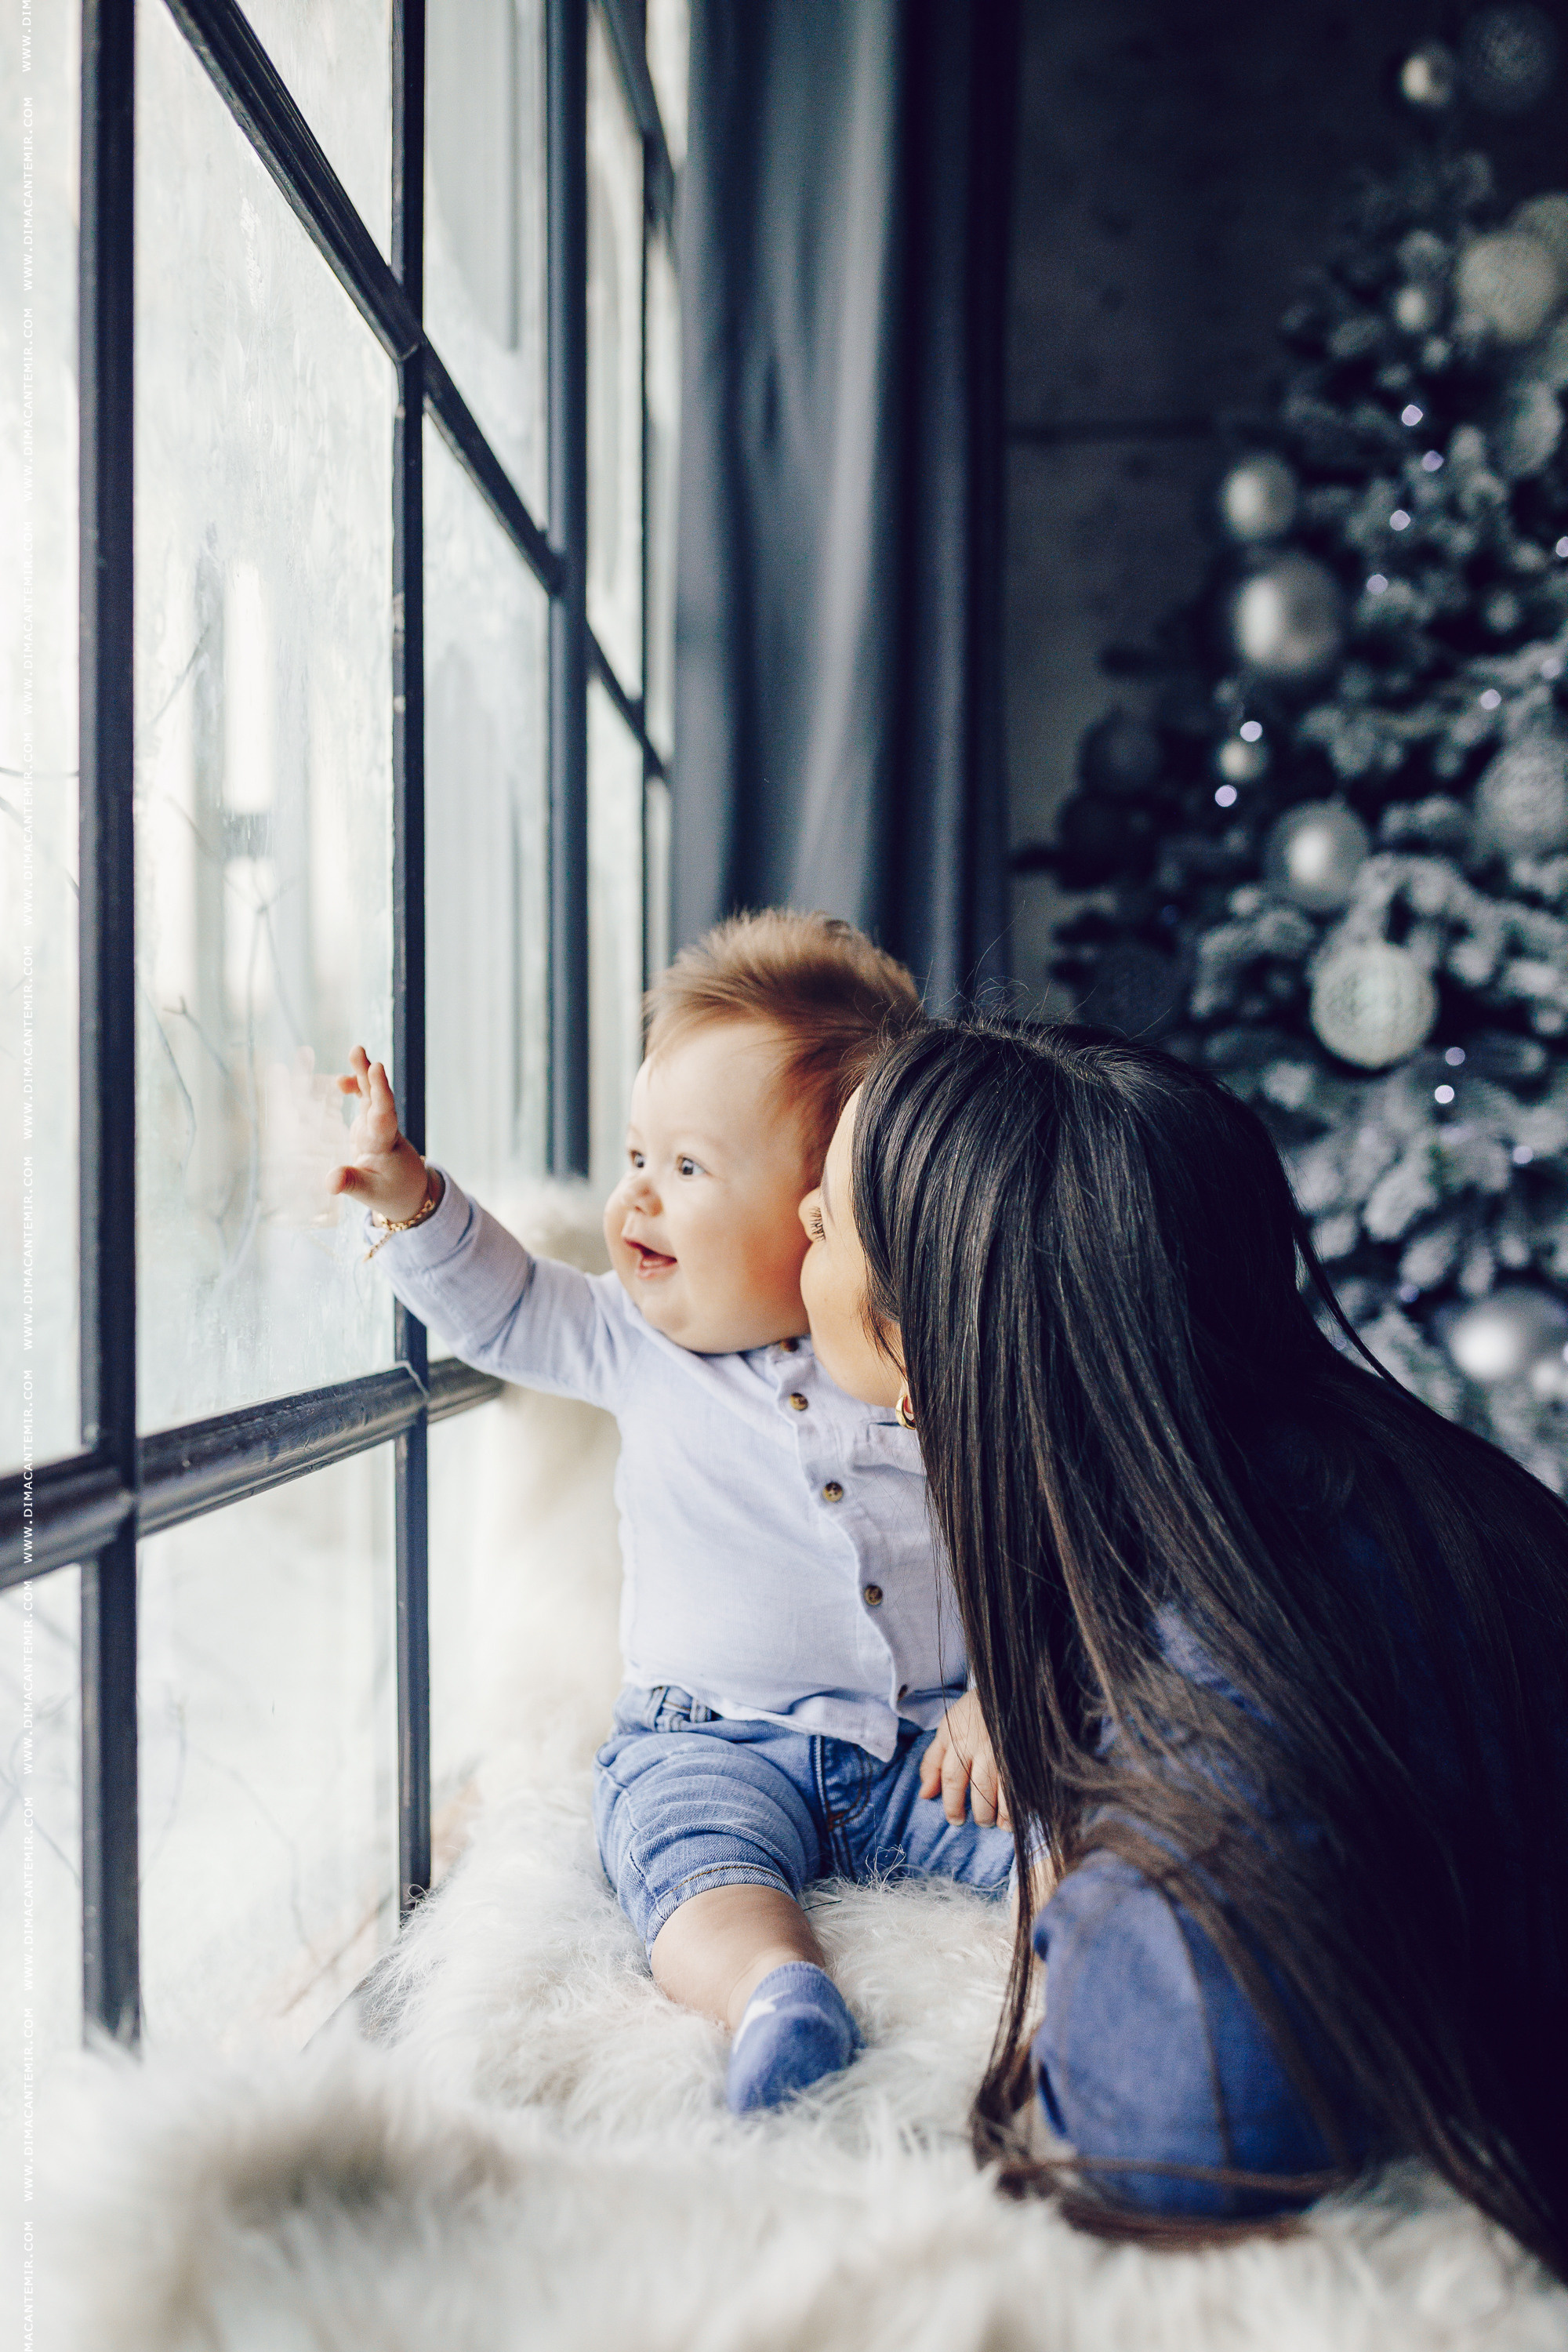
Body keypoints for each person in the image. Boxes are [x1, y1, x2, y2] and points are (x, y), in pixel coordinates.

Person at [796, 1015, 1568, 2272]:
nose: (797, 1236)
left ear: (926, 1347)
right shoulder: (1369, 1477)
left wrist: (1074, 1873)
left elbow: (1183, 2125)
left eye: (826, 1224)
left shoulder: (1223, 1652)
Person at [328, 912, 1013, 2114]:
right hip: (712, 1737)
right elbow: (501, 1306)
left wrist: (1001, 1703)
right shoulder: (632, 1340)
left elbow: (1023, 1550)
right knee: (691, 1866)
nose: (636, 1198)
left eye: (687, 1169)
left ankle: (1100, 1960)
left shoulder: (924, 1367)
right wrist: (411, 1196)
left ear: (829, 1210)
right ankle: (773, 1991)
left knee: (1067, 1825)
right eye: (637, 1156)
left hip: (926, 1747)